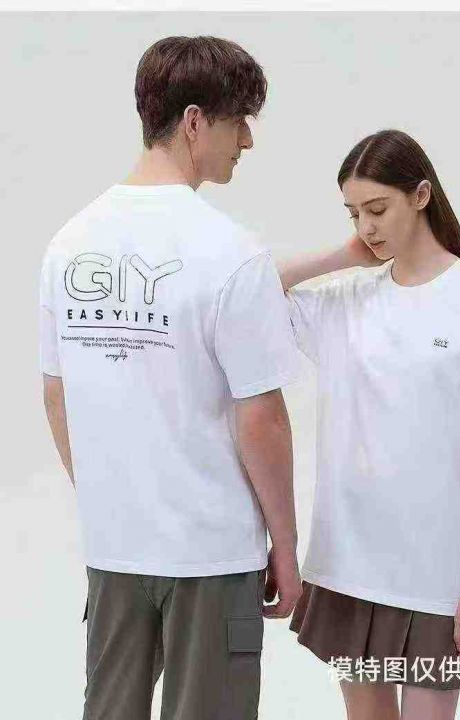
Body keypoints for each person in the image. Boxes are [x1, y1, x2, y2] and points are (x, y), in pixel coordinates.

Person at [39, 35, 303, 720]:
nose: (247, 140)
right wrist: (286, 544)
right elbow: (261, 419)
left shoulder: (68, 244)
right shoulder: (231, 251)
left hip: (114, 550)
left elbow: (57, 394)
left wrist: (113, 497)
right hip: (213, 556)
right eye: (238, 121)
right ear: (193, 122)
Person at [277, 129, 460, 720]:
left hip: (438, 578)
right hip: (351, 565)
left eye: (377, 208)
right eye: (353, 213)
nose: (366, 227)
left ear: (421, 196)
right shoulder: (346, 301)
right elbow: (247, 289)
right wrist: (343, 257)